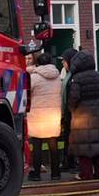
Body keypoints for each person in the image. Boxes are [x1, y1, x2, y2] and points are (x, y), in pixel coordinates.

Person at [66, 50, 99, 180]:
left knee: (83, 148)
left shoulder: (77, 79)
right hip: (98, 114)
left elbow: (74, 98)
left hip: (82, 116)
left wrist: (72, 109)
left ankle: (86, 174)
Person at [26, 52, 63, 181]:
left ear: (38, 63)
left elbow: (28, 92)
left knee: (37, 146)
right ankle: (56, 173)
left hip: (38, 117)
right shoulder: (57, 77)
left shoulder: (34, 77)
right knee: (53, 146)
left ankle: (36, 174)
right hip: (53, 116)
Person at [59, 48, 79, 171]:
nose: (62, 63)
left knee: (73, 138)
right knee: (68, 138)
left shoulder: (74, 76)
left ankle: (73, 162)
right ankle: (68, 161)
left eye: (64, 61)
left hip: (73, 114)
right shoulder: (67, 74)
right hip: (67, 113)